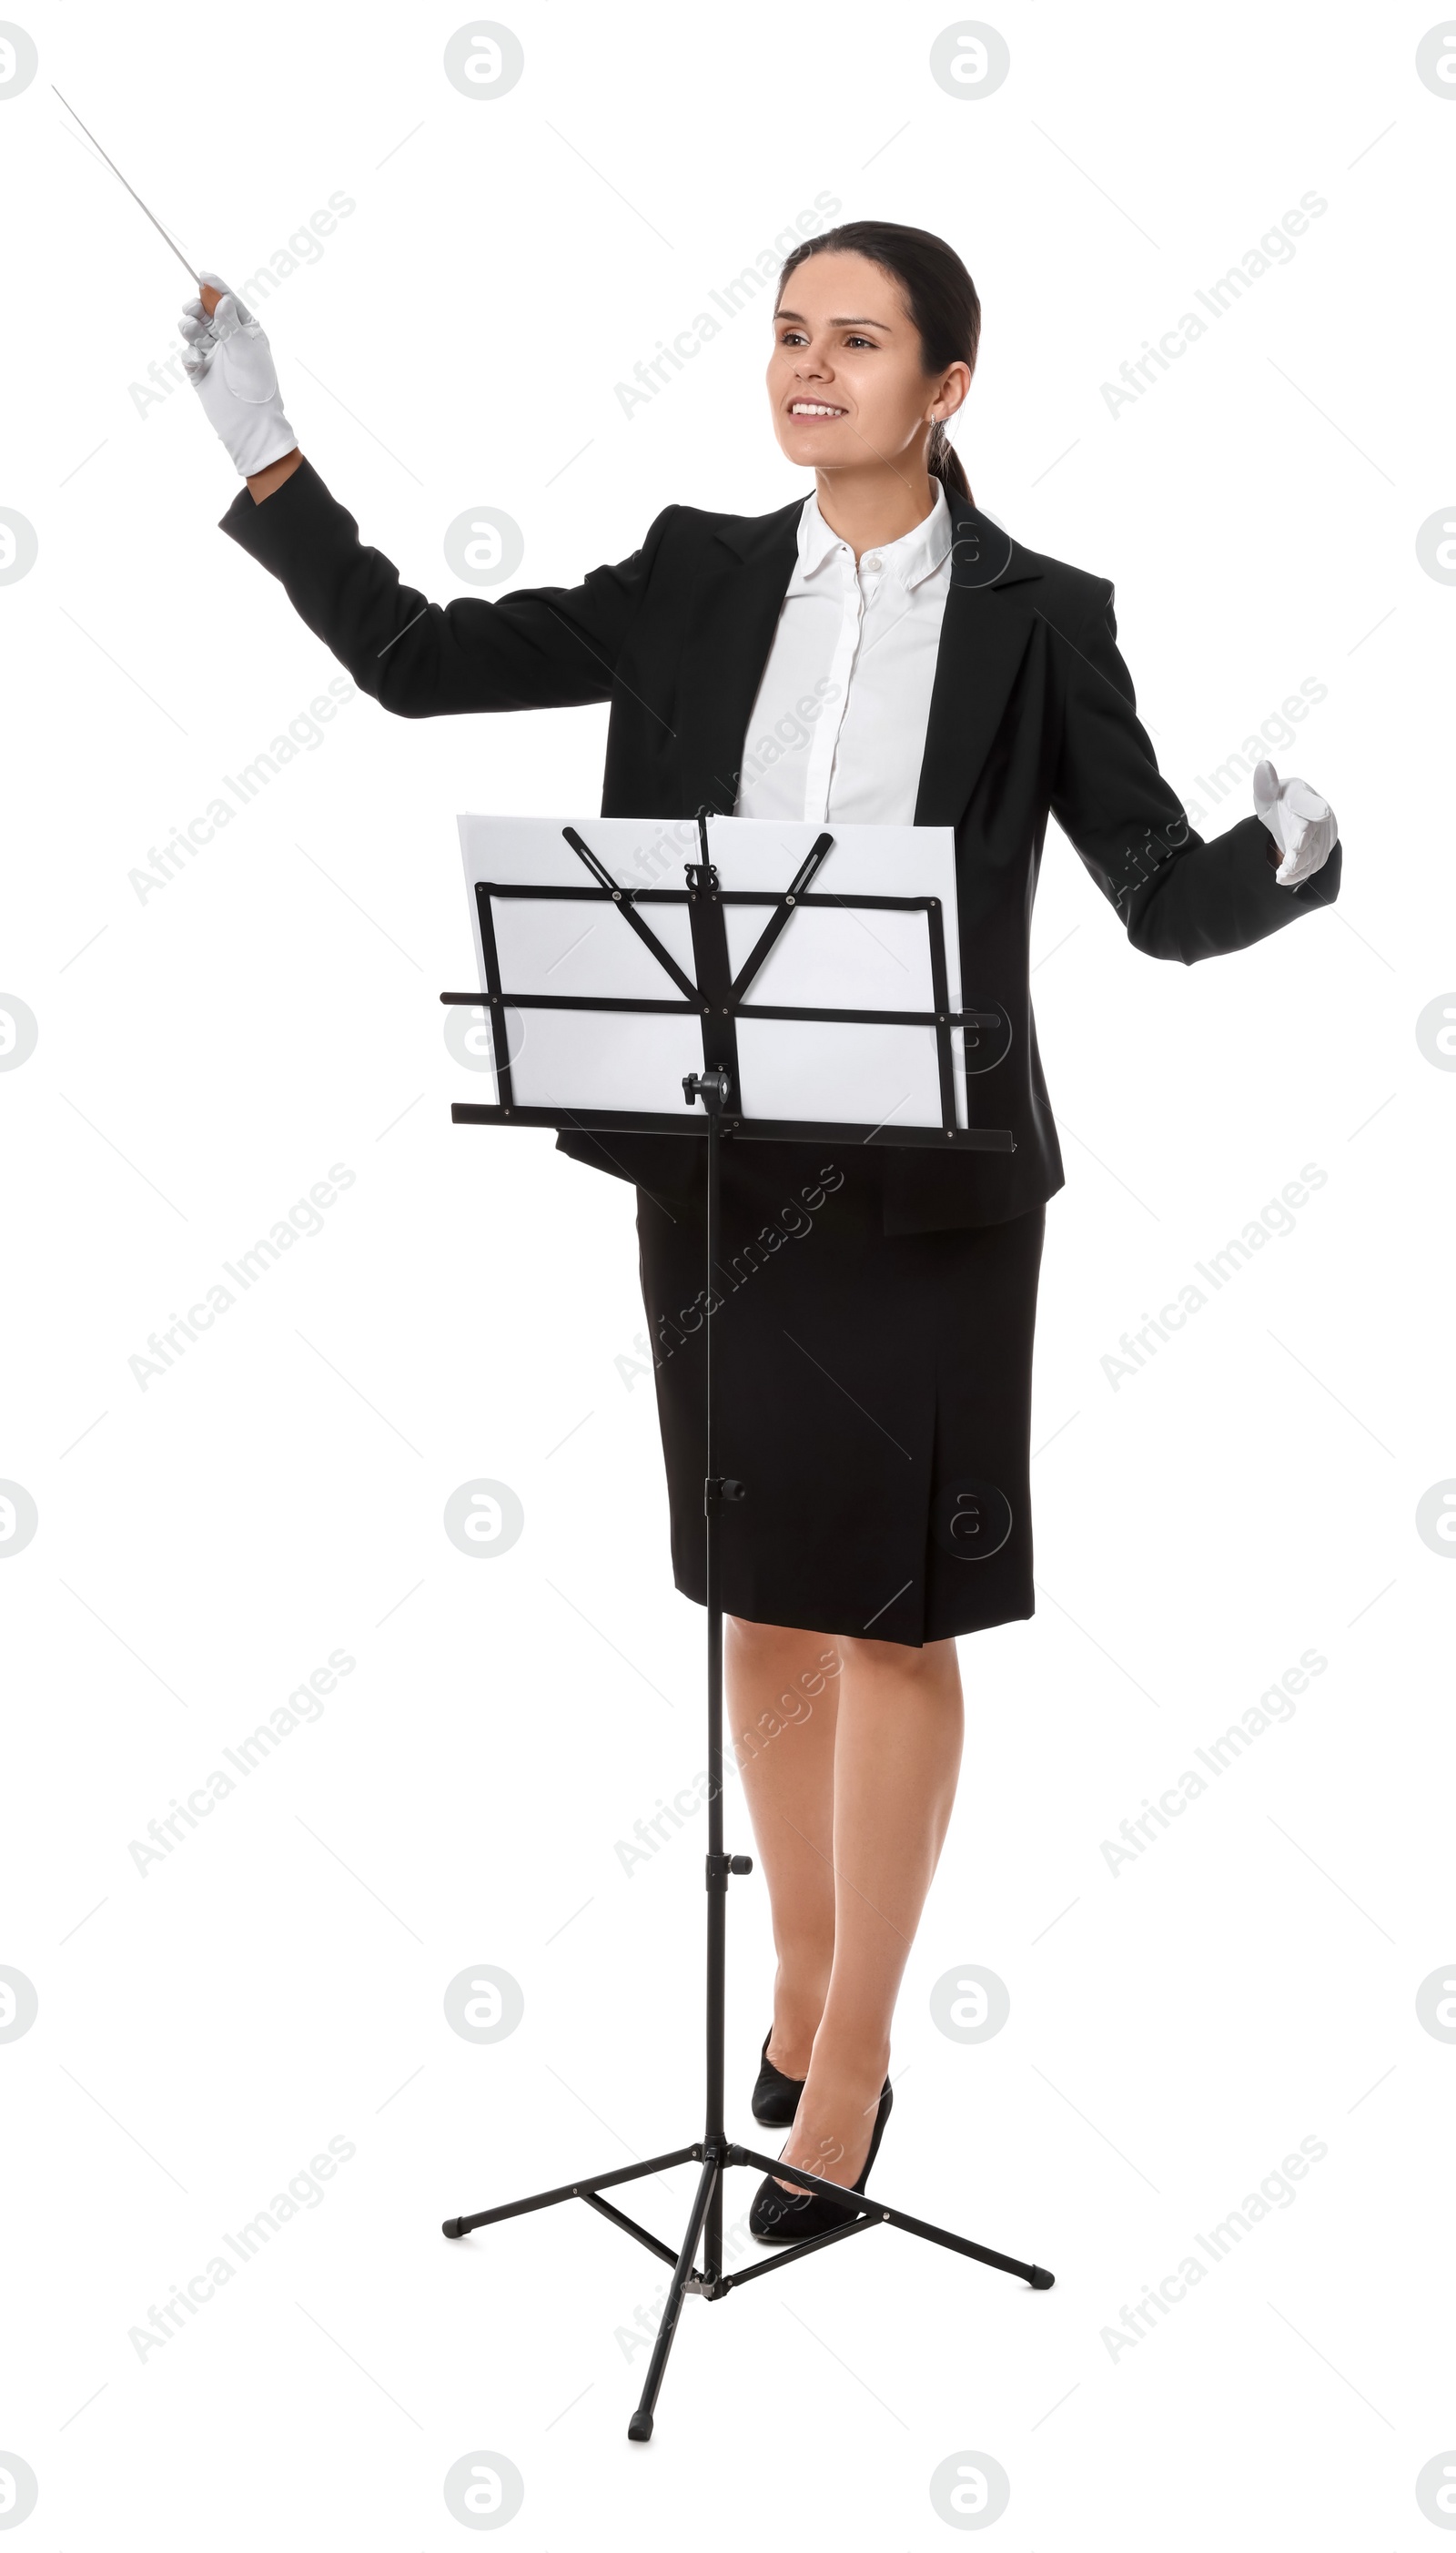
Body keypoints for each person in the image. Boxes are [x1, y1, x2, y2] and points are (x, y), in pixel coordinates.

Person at [177, 218, 1340, 2242]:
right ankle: (796, 1985)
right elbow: (419, 665)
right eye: (788, 334)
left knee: (890, 1613)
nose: (807, 369)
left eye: (857, 342)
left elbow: (1153, 889)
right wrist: (274, 462)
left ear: (946, 387)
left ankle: (857, 2054)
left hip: (935, 1194)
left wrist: (1283, 862)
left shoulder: (1036, 617)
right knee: (760, 1593)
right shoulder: (694, 577)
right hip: (728, 1179)